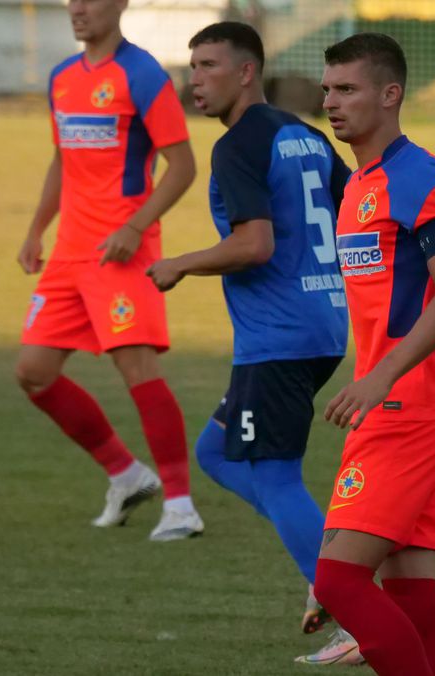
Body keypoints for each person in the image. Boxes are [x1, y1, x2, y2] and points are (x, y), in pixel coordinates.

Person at [145, 22, 363, 664]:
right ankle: (328, 562)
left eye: (208, 65)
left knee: (273, 474)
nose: (195, 80)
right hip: (322, 325)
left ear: (246, 72)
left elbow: (254, 245)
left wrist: (180, 263)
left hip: (279, 337)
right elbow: (354, 221)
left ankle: (351, 603)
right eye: (192, 66)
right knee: (216, 452)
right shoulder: (307, 135)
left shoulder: (238, 146)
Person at [308, 33, 435, 676]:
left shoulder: (420, 179)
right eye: (327, 89)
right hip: (396, 404)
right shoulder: (359, 186)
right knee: (415, 599)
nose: (331, 101)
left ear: (391, 94)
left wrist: (380, 376)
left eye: (347, 89)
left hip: (410, 406)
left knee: (340, 585)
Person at [14, 0, 205, 541]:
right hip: (71, 254)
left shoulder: (142, 74)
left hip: (123, 254)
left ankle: (182, 506)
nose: (77, 9)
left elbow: (184, 166)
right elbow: (62, 159)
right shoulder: (62, 77)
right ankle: (125, 474)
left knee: (137, 371)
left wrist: (135, 226)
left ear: (120, 4)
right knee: (33, 372)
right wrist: (36, 230)